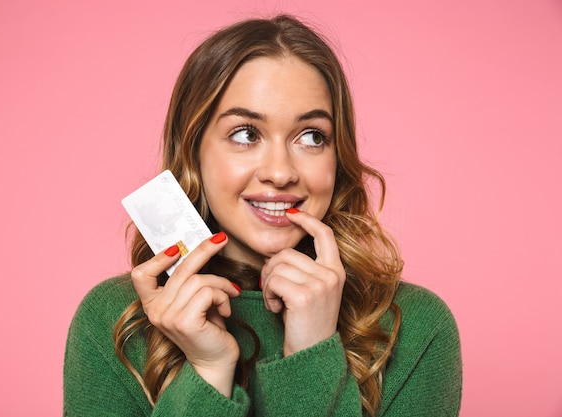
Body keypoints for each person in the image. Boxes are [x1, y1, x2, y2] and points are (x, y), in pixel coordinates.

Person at [63, 14, 462, 416]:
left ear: (337, 155)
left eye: (311, 137)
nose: (280, 172)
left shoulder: (413, 328)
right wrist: (208, 372)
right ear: (193, 151)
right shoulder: (114, 323)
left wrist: (311, 357)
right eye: (245, 134)